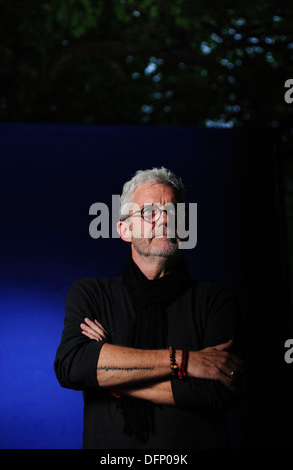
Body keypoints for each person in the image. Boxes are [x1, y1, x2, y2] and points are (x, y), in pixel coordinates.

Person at [54, 167, 244, 449]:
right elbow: (74, 366)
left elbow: (218, 391)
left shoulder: (216, 300)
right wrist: (185, 361)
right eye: (150, 212)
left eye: (173, 212)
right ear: (125, 230)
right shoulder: (92, 293)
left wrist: (112, 377)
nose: (165, 219)